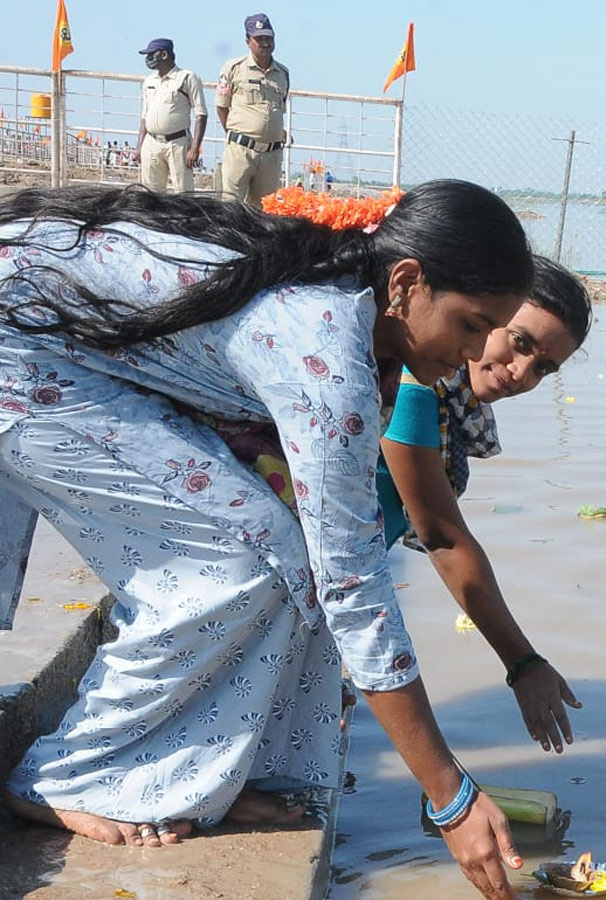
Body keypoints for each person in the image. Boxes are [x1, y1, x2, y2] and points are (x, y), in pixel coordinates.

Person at [0, 179, 536, 900]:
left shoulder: (351, 297)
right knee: (238, 561)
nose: (477, 354)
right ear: (405, 283)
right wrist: (450, 796)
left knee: (283, 552)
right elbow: (353, 587)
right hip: (21, 361)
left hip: (50, 347)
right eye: (471, 325)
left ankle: (202, 777)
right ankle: (69, 775)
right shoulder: (325, 348)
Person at [378, 256, 592, 752]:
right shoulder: (414, 390)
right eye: (519, 342)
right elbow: (441, 536)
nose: (521, 373)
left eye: (543, 367)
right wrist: (522, 662)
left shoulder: (450, 397)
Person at [215, 14, 289, 206]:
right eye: (259, 39)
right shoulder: (233, 68)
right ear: (248, 41)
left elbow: (279, 109)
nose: (264, 43)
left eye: (268, 38)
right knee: (231, 208)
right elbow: (222, 107)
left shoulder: (283, 73)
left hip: (271, 155)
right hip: (241, 151)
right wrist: (238, 134)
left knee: (264, 213)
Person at [134, 38, 208, 194]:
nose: (148, 59)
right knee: (150, 194)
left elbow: (201, 114)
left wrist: (194, 148)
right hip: (152, 142)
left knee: (183, 193)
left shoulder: (187, 78)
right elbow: (144, 116)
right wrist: (139, 146)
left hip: (177, 143)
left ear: (164, 54)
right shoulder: (149, 81)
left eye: (151, 55)